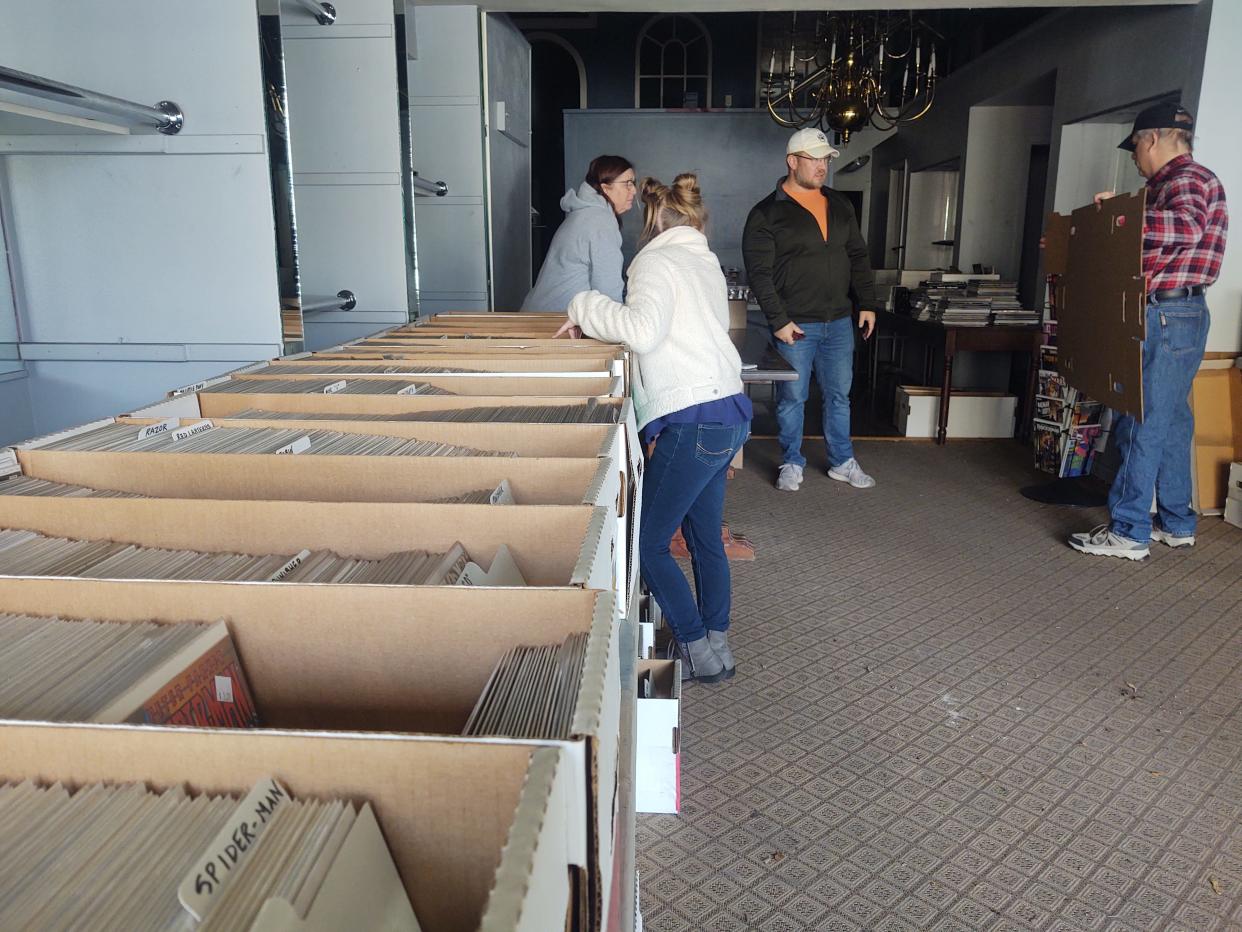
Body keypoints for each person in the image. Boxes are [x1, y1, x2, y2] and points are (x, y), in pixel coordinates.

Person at [557, 174, 752, 684]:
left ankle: (692, 649)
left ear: (651, 223)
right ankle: (718, 646)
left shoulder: (654, 261)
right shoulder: (701, 259)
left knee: (649, 544)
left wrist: (582, 305)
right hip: (729, 412)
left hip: (693, 420)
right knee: (705, 538)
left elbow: (643, 330)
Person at [1069, 103, 1228, 560]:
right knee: (1173, 421)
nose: (1135, 157)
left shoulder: (1184, 179)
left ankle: (1129, 529)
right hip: (1182, 313)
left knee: (1139, 420)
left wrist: (1120, 218)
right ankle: (1175, 522)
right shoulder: (1187, 181)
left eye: (1136, 146)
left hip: (1166, 314)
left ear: (1152, 139)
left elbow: (1189, 226)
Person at [743, 127, 880, 493]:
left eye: (825, 159)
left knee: (839, 396)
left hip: (838, 321)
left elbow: (857, 256)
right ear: (792, 161)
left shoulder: (839, 204)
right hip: (796, 326)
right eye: (814, 159)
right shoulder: (766, 213)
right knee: (793, 398)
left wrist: (867, 302)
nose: (822, 166)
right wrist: (779, 320)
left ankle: (842, 461)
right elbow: (760, 274)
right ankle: (791, 461)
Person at [521, 155, 636, 312]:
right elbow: (608, 291)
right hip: (553, 323)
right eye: (627, 184)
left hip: (540, 315)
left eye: (633, 183)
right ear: (605, 187)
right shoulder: (600, 221)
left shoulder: (584, 214)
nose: (634, 190)